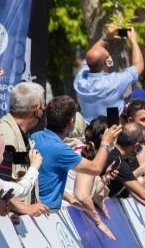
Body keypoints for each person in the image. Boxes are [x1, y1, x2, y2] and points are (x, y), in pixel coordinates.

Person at [32, 96, 121, 209]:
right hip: (47, 212)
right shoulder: (61, 150)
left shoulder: (34, 137)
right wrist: (106, 142)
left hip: (35, 208)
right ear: (72, 122)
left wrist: (104, 179)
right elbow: (95, 169)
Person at [74, 24, 144, 122]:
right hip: (111, 132)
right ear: (107, 62)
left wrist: (105, 37)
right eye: (108, 55)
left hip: (88, 132)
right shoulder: (114, 82)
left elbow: (91, 56)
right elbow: (139, 65)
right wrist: (133, 41)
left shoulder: (80, 81)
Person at [0, 82, 50, 217]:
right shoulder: (5, 136)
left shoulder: (22, 135)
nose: (44, 110)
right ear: (37, 109)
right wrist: (23, 208)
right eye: (43, 106)